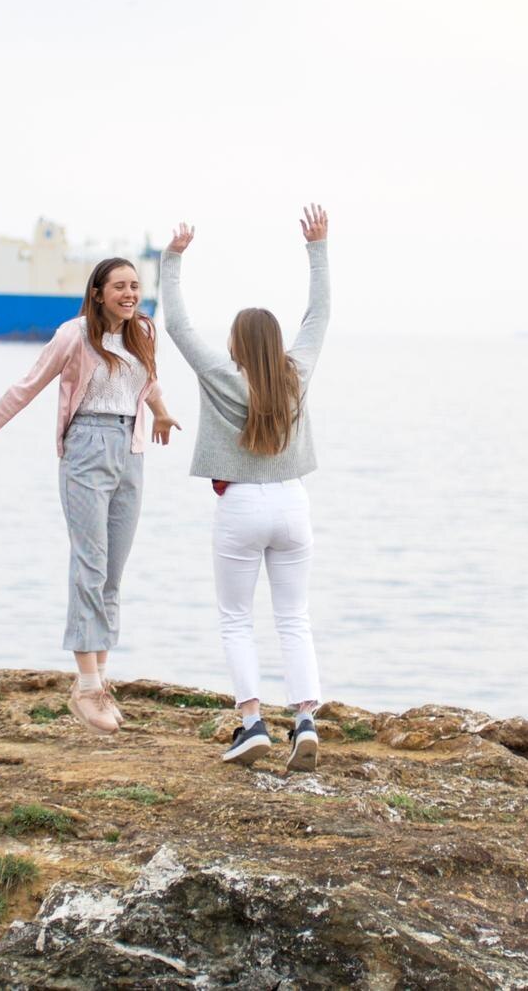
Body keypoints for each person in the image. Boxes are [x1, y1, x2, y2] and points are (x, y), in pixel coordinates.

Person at [0, 257, 180, 736]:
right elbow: (25, 388)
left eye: (134, 286)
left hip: (130, 453)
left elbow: (146, 379)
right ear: (97, 292)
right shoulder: (74, 335)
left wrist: (161, 413)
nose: (129, 294)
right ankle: (86, 686)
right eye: (119, 287)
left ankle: (99, 683)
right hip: (87, 449)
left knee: (112, 571)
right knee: (88, 565)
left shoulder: (143, 333)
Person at [160, 204, 330, 770]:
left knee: (236, 618)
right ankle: (304, 718)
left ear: (234, 344)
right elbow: (319, 316)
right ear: (275, 341)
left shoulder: (218, 375)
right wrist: (317, 247)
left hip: (240, 506)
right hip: (292, 502)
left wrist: (172, 260)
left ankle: (253, 721)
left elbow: (178, 326)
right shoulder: (296, 373)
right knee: (294, 617)